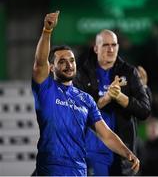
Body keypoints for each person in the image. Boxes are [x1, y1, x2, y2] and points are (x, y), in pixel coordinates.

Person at [31, 11, 140, 176]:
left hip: (79, 171)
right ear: (52, 67)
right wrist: (47, 32)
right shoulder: (46, 89)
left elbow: (106, 134)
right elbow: (40, 62)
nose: (69, 65)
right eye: (62, 61)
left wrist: (127, 152)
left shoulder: (86, 99)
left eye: (72, 60)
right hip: (51, 169)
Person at [73, 29, 151, 176]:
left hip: (123, 155)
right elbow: (78, 114)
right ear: (96, 48)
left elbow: (145, 111)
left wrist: (121, 97)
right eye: (105, 45)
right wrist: (106, 98)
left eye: (114, 45)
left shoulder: (130, 72)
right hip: (90, 154)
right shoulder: (82, 75)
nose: (110, 49)